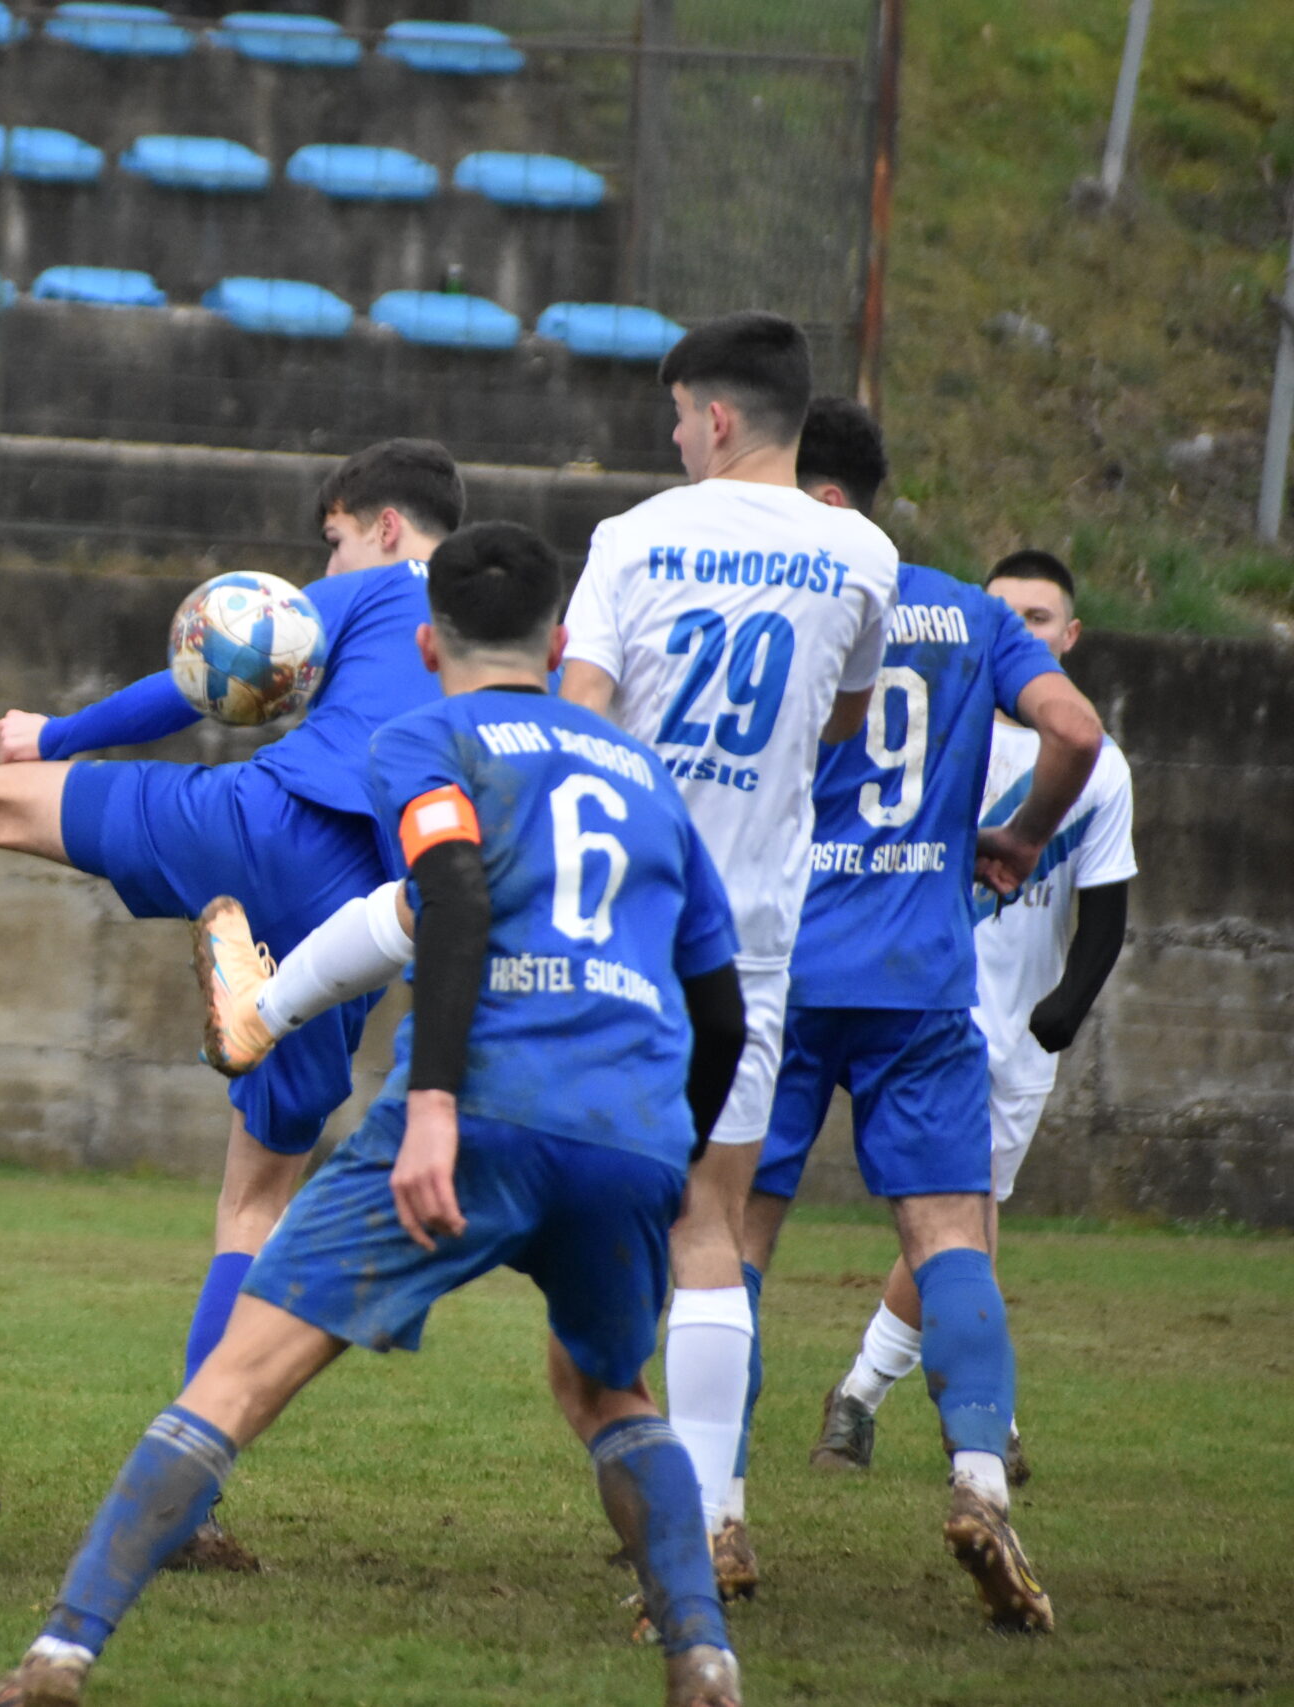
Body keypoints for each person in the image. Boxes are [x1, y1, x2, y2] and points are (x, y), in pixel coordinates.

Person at [0, 522, 750, 1707]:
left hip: (480, 1107)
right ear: (560, 644)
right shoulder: (644, 778)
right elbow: (720, 1007)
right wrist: (670, 1154)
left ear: (426, 646)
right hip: (628, 1128)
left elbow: (448, 893)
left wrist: (432, 1107)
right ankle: (705, 1663)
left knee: (237, 1379)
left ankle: (55, 1662)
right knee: (607, 1394)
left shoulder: (425, 737)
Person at [0, 441, 462, 1565]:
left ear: (385, 528)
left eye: (332, 540)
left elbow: (219, 656)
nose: (327, 563)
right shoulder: (515, 650)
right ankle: (188, 1504)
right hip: (371, 913)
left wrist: (55, 735)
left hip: (265, 819)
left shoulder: (379, 587)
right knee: (254, 1207)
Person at [549, 312, 898, 1596]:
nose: (673, 438)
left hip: (617, 923)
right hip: (745, 939)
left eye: (676, 416)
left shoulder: (631, 537)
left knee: (588, 1221)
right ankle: (712, 1518)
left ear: (714, 416)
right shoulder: (864, 553)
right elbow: (841, 721)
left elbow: (579, 717)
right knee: (712, 1224)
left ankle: (650, 1482)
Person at [738, 402, 1099, 1632]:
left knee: (728, 1246)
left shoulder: (779, 595)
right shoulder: (969, 611)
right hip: (919, 980)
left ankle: (717, 1514)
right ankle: (981, 1483)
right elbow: (1074, 730)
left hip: (781, 975)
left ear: (816, 493)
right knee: (951, 1242)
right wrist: (1021, 835)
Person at [810, 548, 1133, 1488]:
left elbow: (1106, 904)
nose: (1020, 630)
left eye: (1039, 617)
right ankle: (943, 1417)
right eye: (1005, 614)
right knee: (963, 1226)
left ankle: (866, 1397)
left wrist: (1064, 1008)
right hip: (926, 1006)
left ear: (1069, 635)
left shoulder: (1099, 768)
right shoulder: (945, 725)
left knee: (957, 1228)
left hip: (1018, 1036)